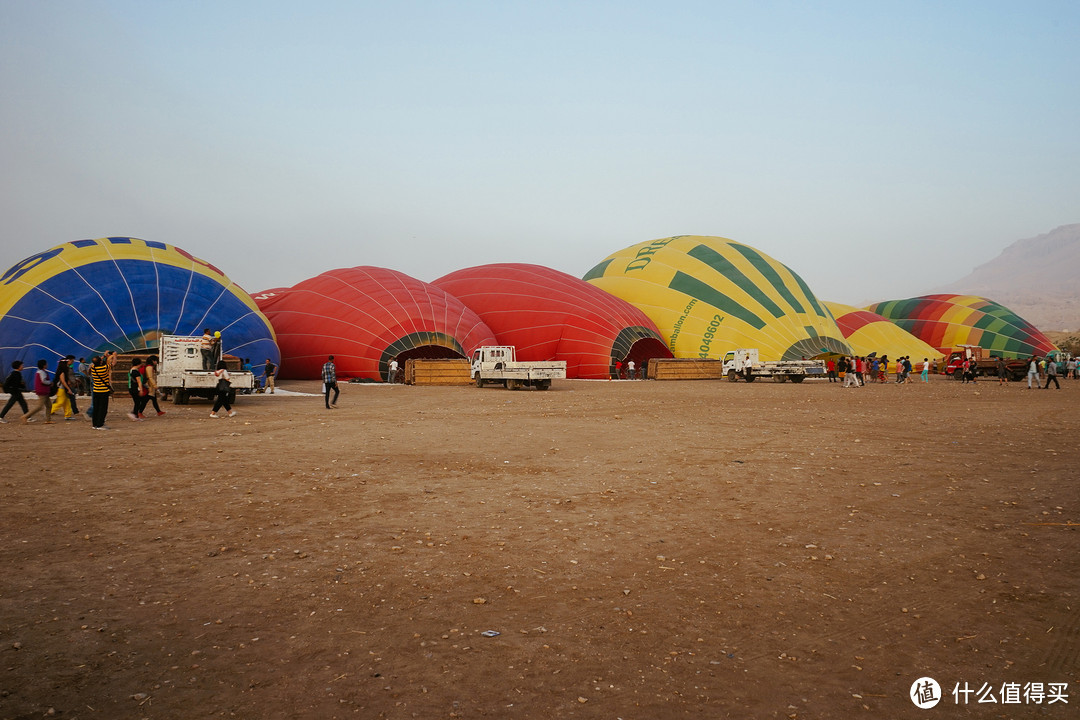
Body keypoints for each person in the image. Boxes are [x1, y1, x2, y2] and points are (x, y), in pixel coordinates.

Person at [21, 359, 54, 424]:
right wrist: (50, 383)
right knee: (39, 406)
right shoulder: (42, 372)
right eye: (46, 364)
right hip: (42, 391)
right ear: (44, 365)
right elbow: (43, 381)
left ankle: (48, 419)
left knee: (49, 405)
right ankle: (25, 416)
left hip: (44, 391)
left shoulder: (40, 371)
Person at [89, 356, 112, 430]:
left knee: (96, 407)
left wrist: (103, 357)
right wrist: (111, 356)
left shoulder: (93, 368)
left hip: (96, 390)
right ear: (101, 362)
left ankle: (94, 424)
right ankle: (100, 424)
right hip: (104, 390)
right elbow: (111, 363)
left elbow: (97, 362)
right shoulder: (105, 368)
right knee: (103, 408)